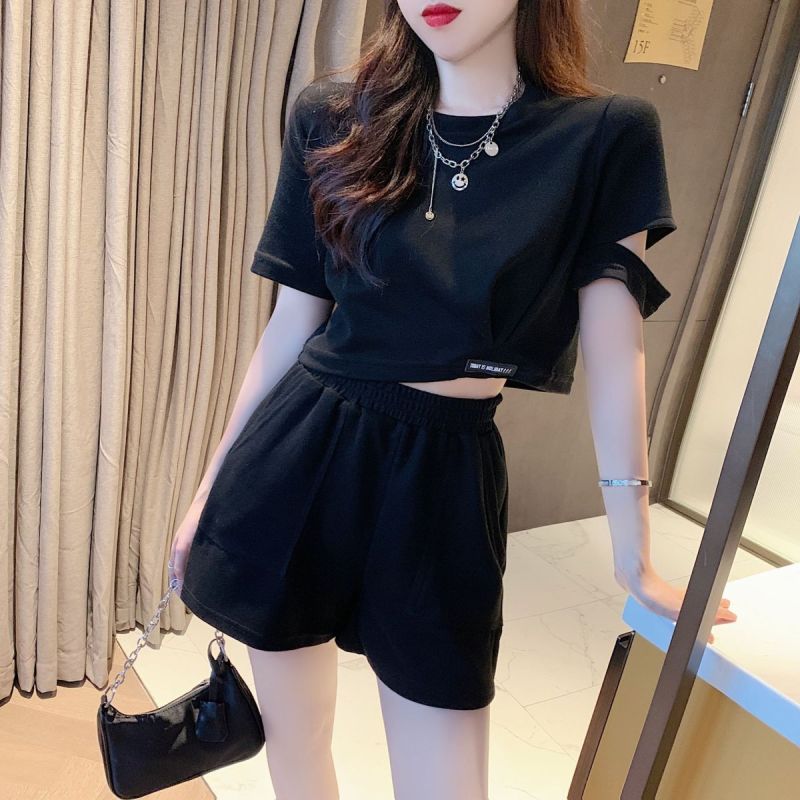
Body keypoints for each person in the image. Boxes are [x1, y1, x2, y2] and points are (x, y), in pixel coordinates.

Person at [169, 2, 737, 798]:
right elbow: (292, 322)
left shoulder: (604, 135)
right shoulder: (333, 117)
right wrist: (209, 490)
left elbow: (617, 354)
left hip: (445, 474)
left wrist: (633, 558)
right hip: (302, 457)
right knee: (296, 745)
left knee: (448, 775)